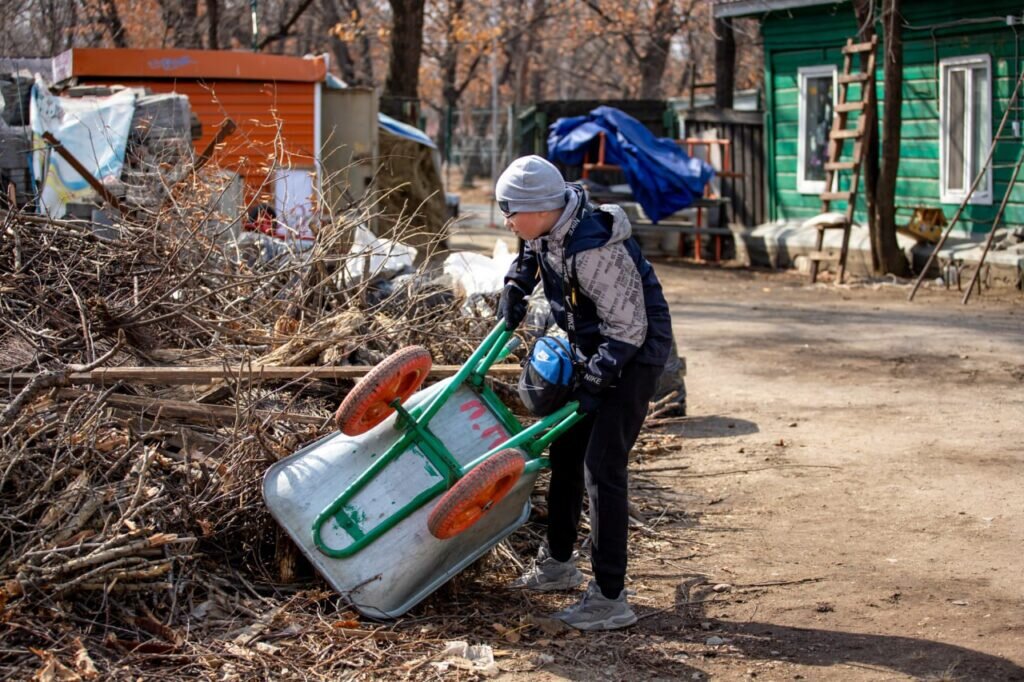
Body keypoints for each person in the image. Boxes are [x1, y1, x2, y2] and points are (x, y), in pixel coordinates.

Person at [495, 155, 672, 630]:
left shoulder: (594, 249)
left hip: (633, 353)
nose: (506, 220)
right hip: (593, 343)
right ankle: (558, 564)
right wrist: (516, 284)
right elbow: (532, 249)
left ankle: (610, 597)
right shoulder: (549, 223)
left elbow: (629, 329)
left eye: (510, 211)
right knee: (566, 451)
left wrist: (596, 382)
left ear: (539, 208)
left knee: (602, 467)